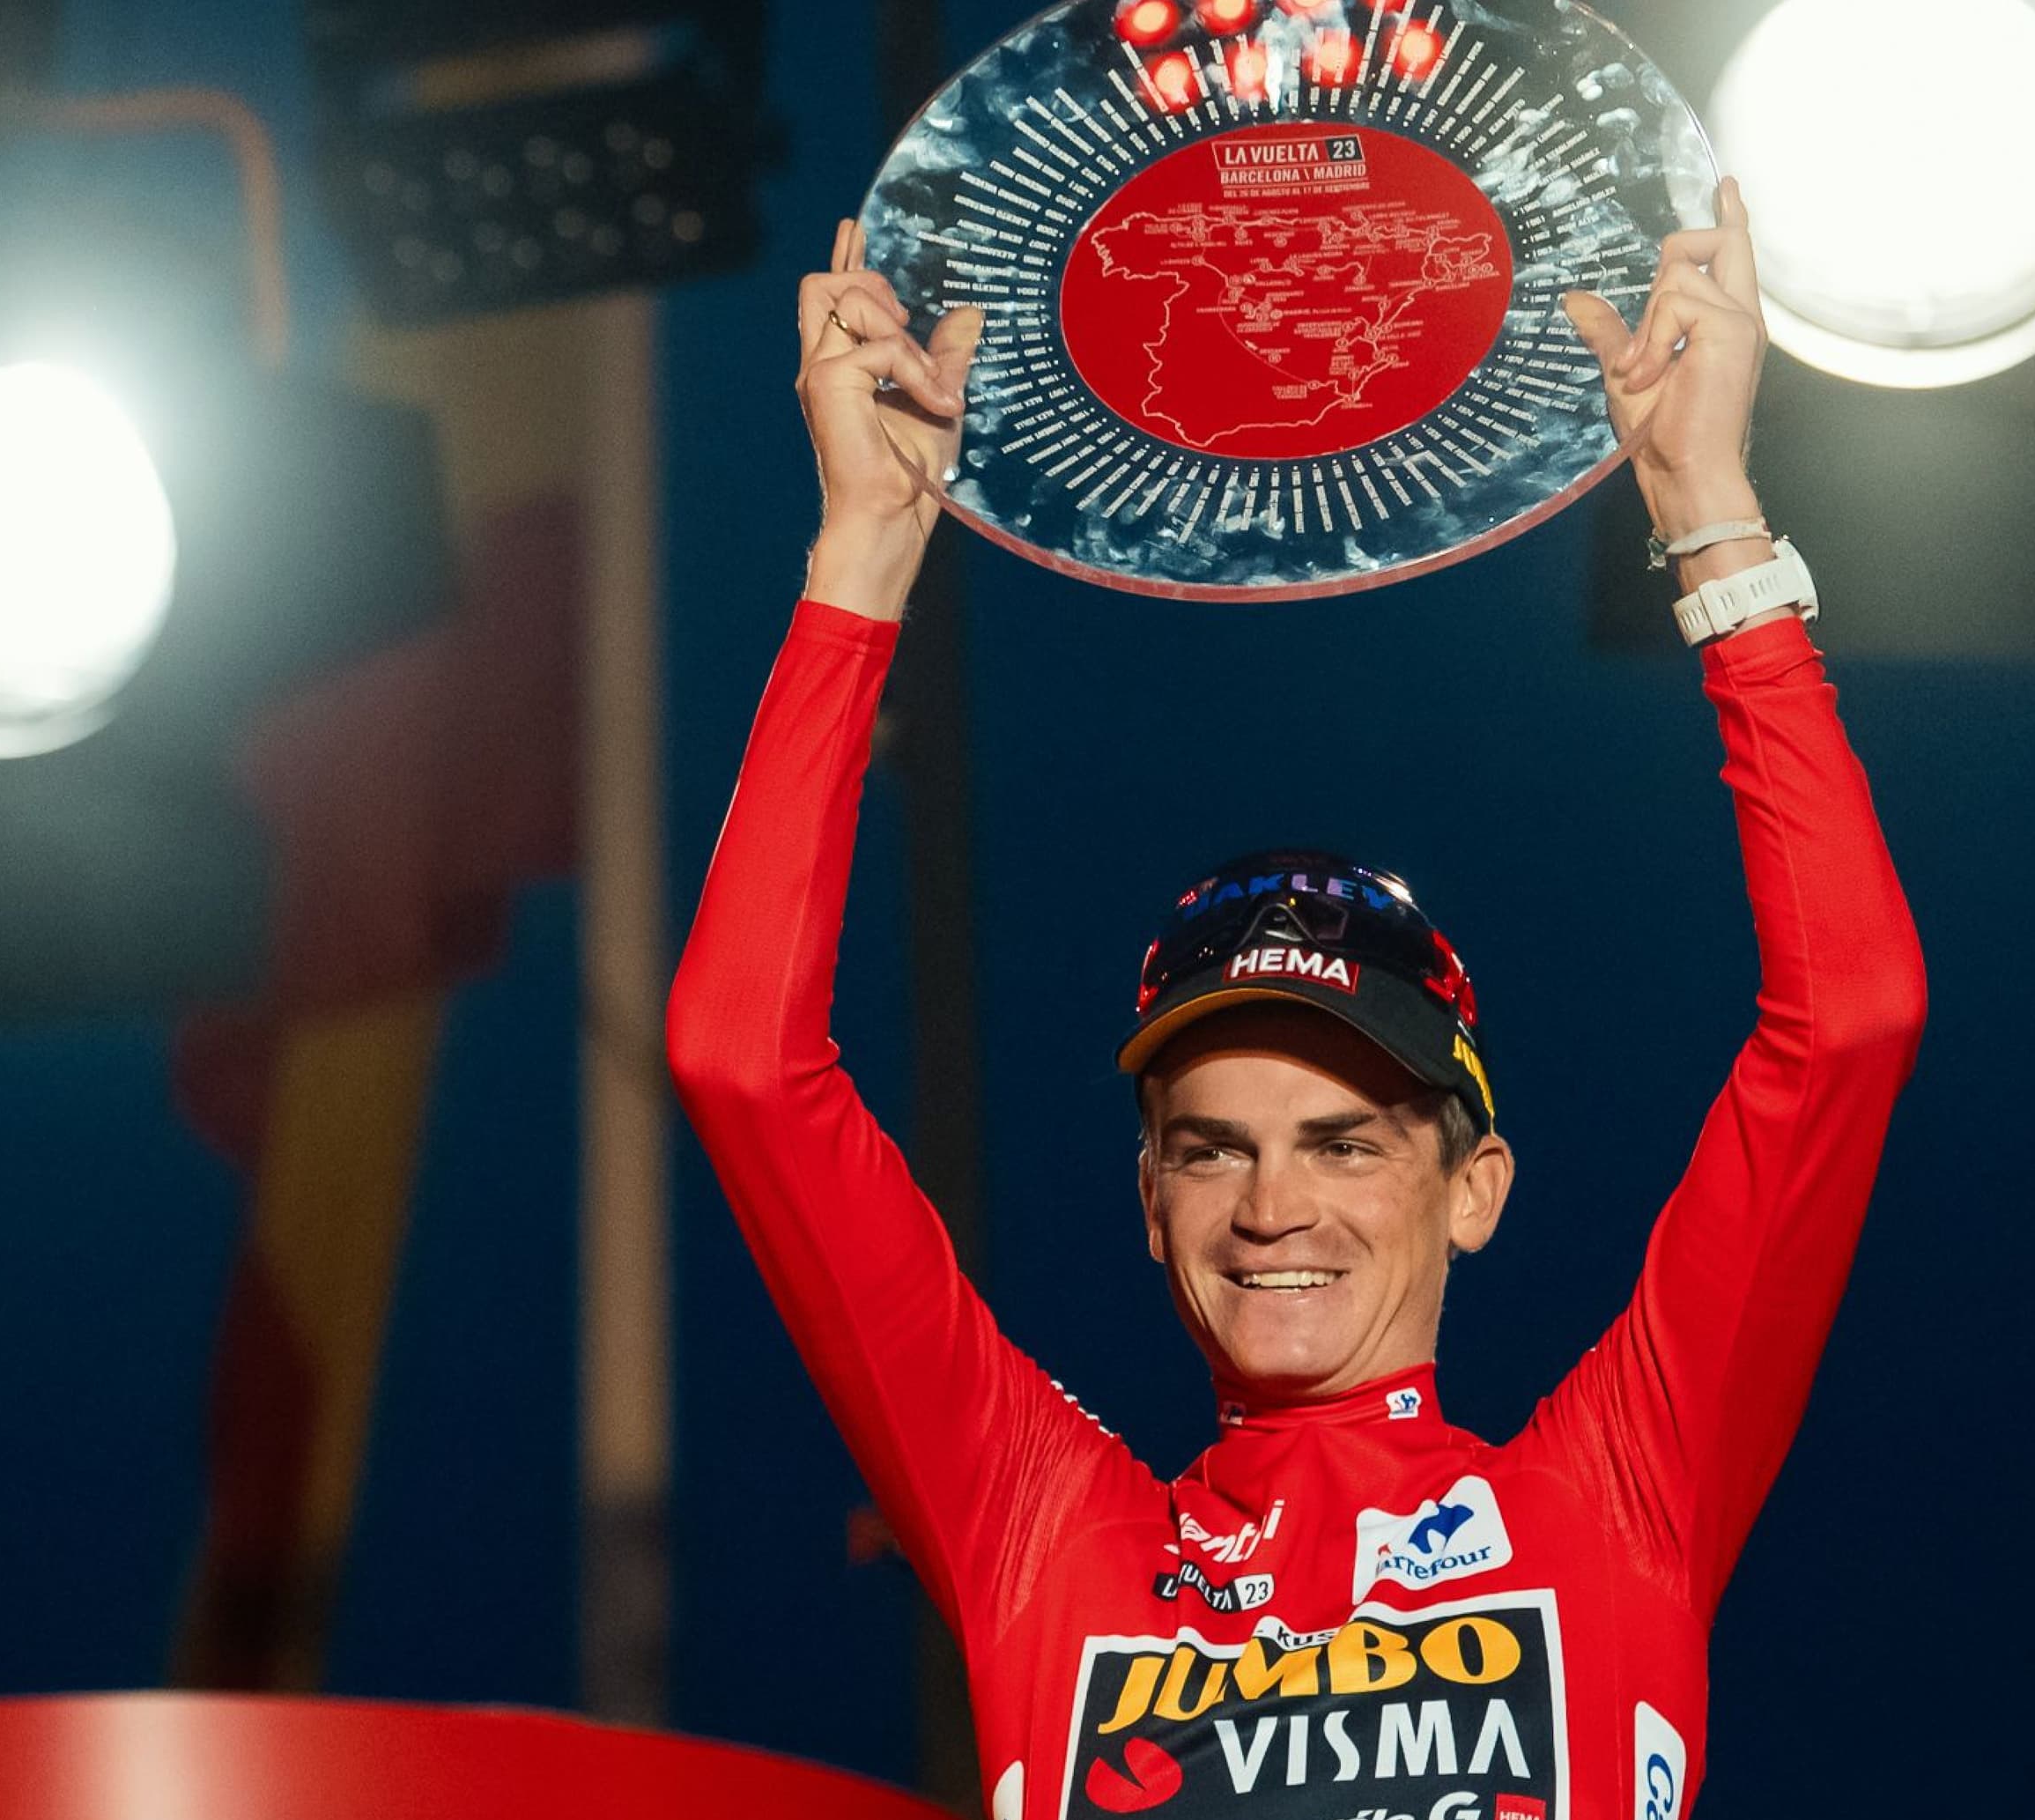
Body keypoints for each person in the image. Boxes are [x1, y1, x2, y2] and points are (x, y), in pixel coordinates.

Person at [664, 182, 1926, 1820]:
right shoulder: (1045, 1524)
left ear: (1474, 1187)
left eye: (1342, 1141)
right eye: (1212, 1146)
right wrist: (861, 559)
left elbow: (1851, 1022)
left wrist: (1707, 509)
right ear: (1149, 1198)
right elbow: (740, 1060)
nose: (1272, 1206)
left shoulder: (1621, 1492)